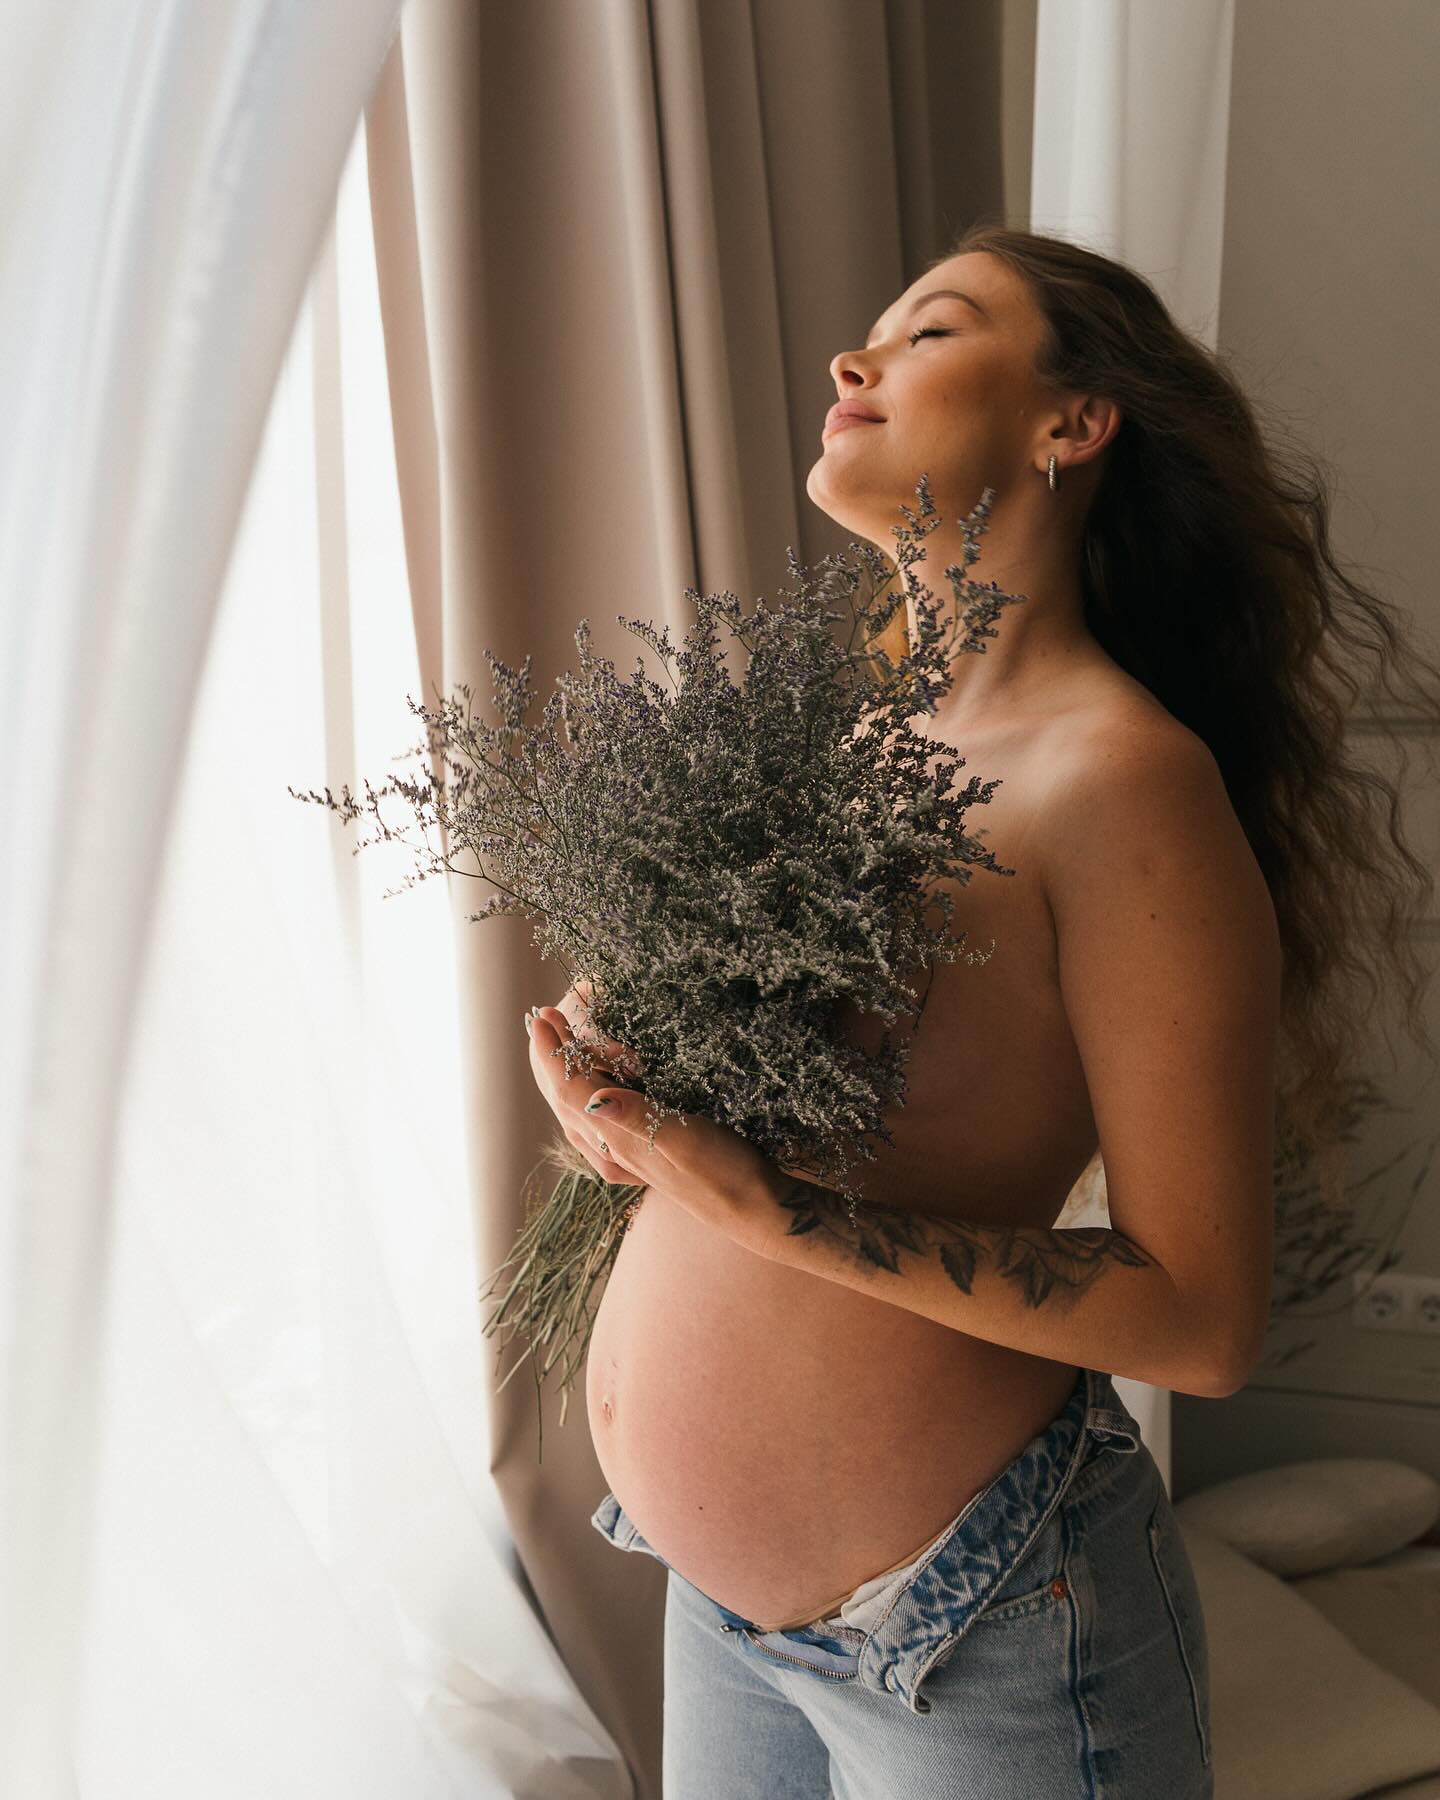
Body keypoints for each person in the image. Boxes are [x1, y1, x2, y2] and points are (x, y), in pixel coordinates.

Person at [526, 222, 1440, 1797]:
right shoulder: (847, 738)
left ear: (1071, 422)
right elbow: (842, 1120)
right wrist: (627, 1086)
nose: (853, 357)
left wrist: (775, 1218)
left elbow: (1200, 1317)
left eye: (933, 331)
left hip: (976, 1634)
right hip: (721, 1608)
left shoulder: (1121, 783)